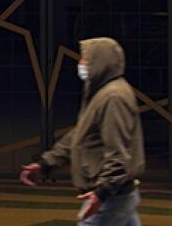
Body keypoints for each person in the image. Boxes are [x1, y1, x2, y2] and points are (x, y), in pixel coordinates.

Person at [19, 37, 145, 225]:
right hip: (117, 195)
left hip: (110, 197)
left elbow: (119, 151)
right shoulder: (100, 93)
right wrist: (46, 163)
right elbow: (80, 136)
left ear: (100, 61)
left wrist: (102, 192)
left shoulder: (113, 97)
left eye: (85, 59)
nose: (81, 64)